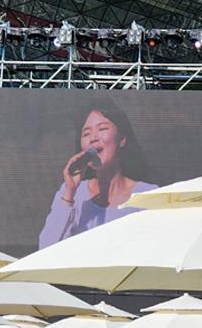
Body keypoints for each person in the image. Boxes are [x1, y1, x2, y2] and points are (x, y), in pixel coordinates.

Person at [38, 103, 157, 248]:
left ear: (122, 139)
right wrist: (70, 192)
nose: (93, 138)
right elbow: (45, 248)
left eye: (102, 129)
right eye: (86, 133)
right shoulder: (73, 194)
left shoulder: (147, 194)